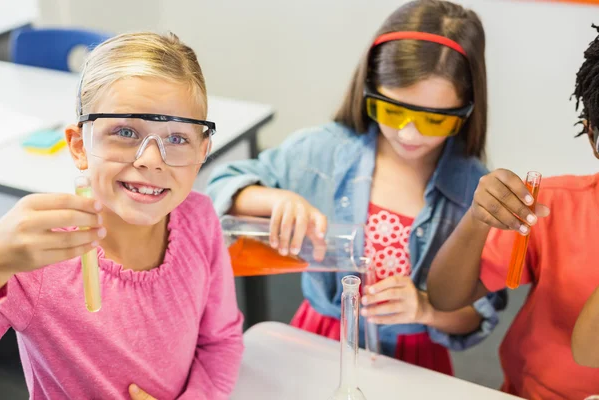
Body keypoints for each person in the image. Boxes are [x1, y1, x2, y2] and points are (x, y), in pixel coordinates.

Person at [207, 0, 505, 375]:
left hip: (412, 365)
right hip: (318, 344)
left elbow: (480, 313)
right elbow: (221, 187)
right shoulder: (323, 152)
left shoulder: (473, 194)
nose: (408, 133)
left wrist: (426, 308)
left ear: (467, 110)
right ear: (370, 90)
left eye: (434, 119)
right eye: (393, 111)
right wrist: (274, 199)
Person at [0, 32, 243, 400]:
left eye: (177, 138)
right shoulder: (37, 257)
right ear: (80, 145)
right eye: (126, 131)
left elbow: (222, 341)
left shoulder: (200, 219)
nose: (150, 159)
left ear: (202, 150)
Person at [426, 24, 599, 400]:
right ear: (592, 137)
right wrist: (476, 218)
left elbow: (591, 352)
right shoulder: (554, 205)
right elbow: (444, 297)